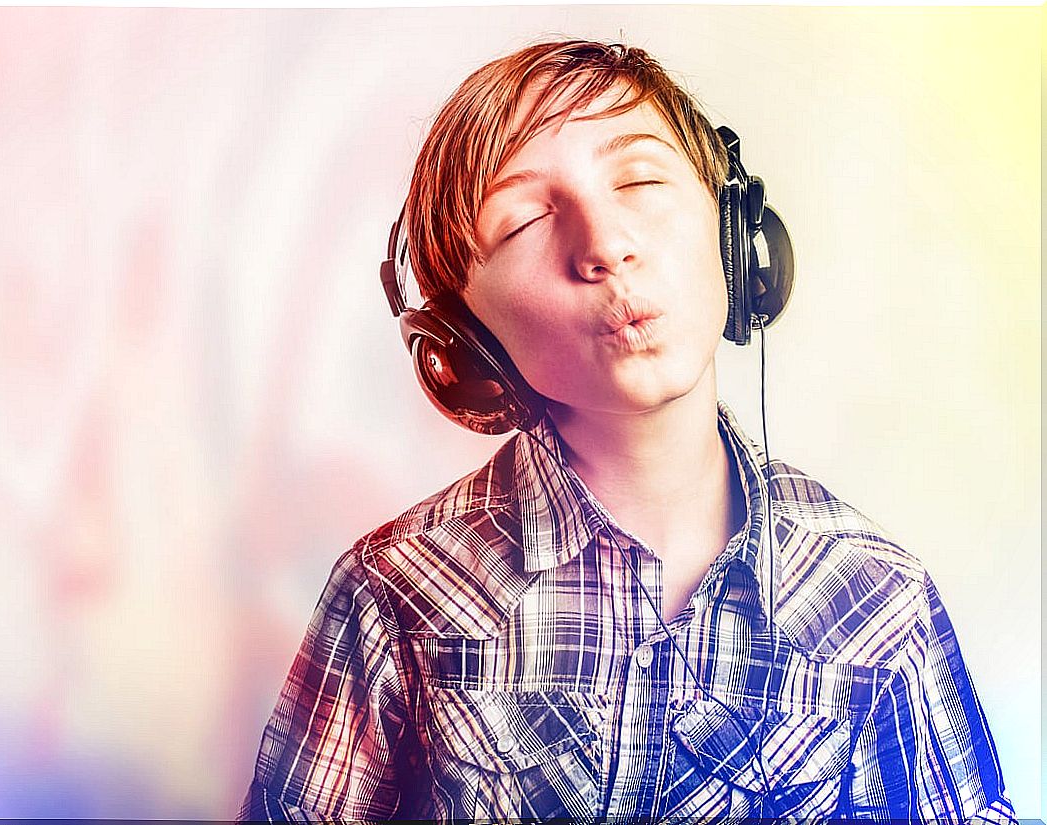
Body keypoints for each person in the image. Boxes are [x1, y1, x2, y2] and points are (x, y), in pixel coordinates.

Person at [238, 39, 1013, 822]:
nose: (606, 247)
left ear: (737, 230)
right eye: (524, 221)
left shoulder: (877, 598)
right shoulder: (393, 594)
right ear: (463, 340)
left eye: (640, 180)